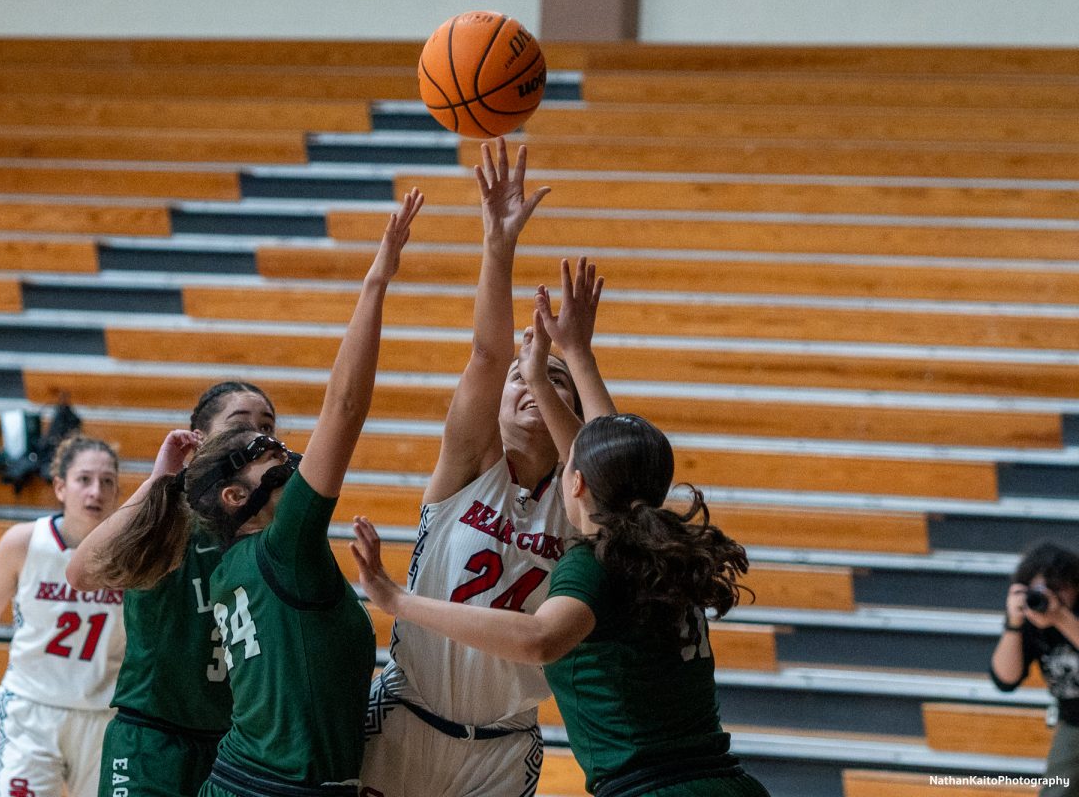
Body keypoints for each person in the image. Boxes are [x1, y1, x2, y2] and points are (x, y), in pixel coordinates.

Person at [351, 305, 770, 797]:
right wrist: (575, 355)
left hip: (644, 785)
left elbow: (538, 638)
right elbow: (606, 448)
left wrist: (396, 600)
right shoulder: (656, 554)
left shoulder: (598, 561)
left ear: (576, 480)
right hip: (722, 780)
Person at [106, 188, 422, 796]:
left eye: (271, 434)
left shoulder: (236, 562)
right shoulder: (283, 544)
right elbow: (346, 407)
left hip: (245, 777)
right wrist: (377, 280)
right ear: (232, 496)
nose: (276, 446)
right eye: (253, 447)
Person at [359, 138, 615, 797]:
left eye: (552, 379)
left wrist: (573, 358)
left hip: (504, 748)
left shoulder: (585, 503)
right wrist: (497, 248)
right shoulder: (472, 465)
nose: (531, 385)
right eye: (522, 377)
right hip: (405, 719)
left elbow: (613, 449)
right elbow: (484, 353)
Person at [66, 381, 277, 797]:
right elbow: (82, 573)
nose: (256, 432)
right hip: (152, 739)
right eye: (240, 423)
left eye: (267, 425)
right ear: (199, 437)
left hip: (233, 745)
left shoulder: (270, 530)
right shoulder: (172, 512)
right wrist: (159, 481)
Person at [0, 435, 125, 797]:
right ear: (61, 487)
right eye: (84, 479)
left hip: (103, 716)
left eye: (107, 481)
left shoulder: (130, 555)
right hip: (31, 710)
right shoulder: (24, 542)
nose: (96, 490)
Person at [991, 541, 1079, 797]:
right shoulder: (1032, 617)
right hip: (1075, 721)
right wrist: (1014, 624)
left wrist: (1061, 618)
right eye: (1043, 589)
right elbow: (1005, 680)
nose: (1051, 597)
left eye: (1058, 588)